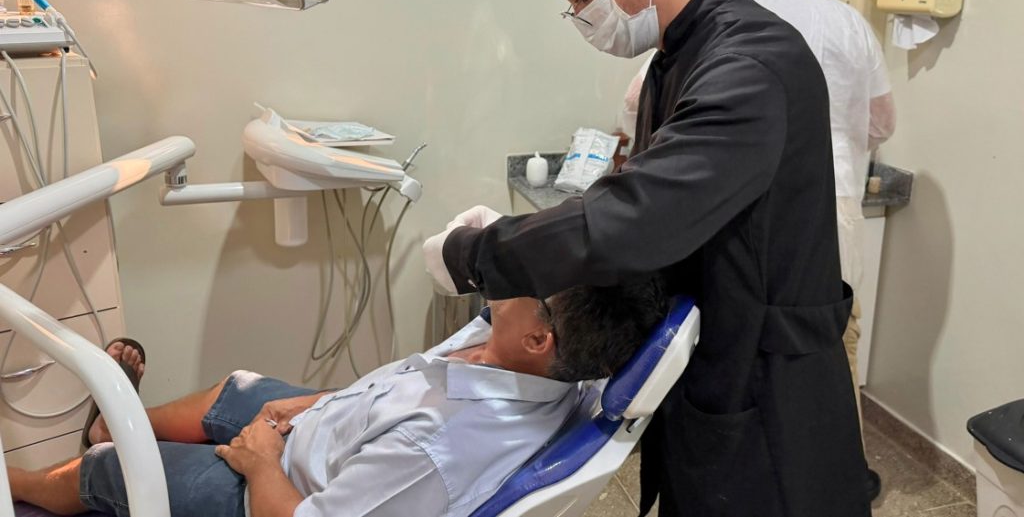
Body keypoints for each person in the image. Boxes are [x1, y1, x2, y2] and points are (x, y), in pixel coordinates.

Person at [424, 0, 870, 517]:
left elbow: (634, 218)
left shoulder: (750, 62)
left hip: (769, 402)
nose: (582, 16)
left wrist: (475, 254)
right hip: (715, 375)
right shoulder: (679, 57)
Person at [9, 281, 666, 517]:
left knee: (115, 471)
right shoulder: (516, 349)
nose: (513, 265)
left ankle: (30, 485)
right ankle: (111, 425)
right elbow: (406, 387)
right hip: (335, 428)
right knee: (238, 389)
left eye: (532, 273)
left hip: (278, 493)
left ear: (539, 338)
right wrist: (323, 403)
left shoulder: (435, 453)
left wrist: (261, 462)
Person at [736, 0, 897, 498]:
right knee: (835, 342)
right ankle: (842, 480)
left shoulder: (725, 11)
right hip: (834, 206)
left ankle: (753, 483)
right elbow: (882, 121)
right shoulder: (847, 21)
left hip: (742, 210)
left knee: (745, 343)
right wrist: (846, 145)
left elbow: (637, 102)